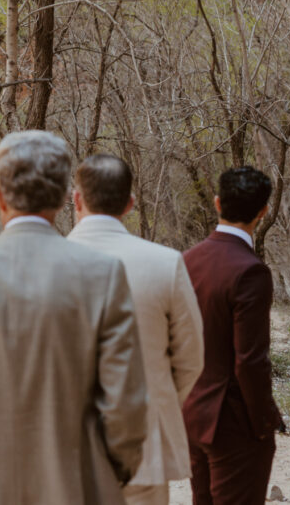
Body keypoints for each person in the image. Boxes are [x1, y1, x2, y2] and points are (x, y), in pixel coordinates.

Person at [0, 130, 147, 505]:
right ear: (66, 199)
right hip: (76, 486)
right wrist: (107, 472)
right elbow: (125, 408)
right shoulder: (103, 274)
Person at [68, 154, 204, 505]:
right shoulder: (165, 263)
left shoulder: (41, 265)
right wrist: (156, 402)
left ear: (76, 199)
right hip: (143, 449)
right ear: (130, 204)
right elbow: (190, 359)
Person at [183, 167, 282, 504]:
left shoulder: (185, 261)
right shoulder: (250, 270)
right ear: (263, 211)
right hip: (234, 422)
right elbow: (250, 361)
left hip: (192, 413)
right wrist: (262, 423)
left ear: (217, 203)